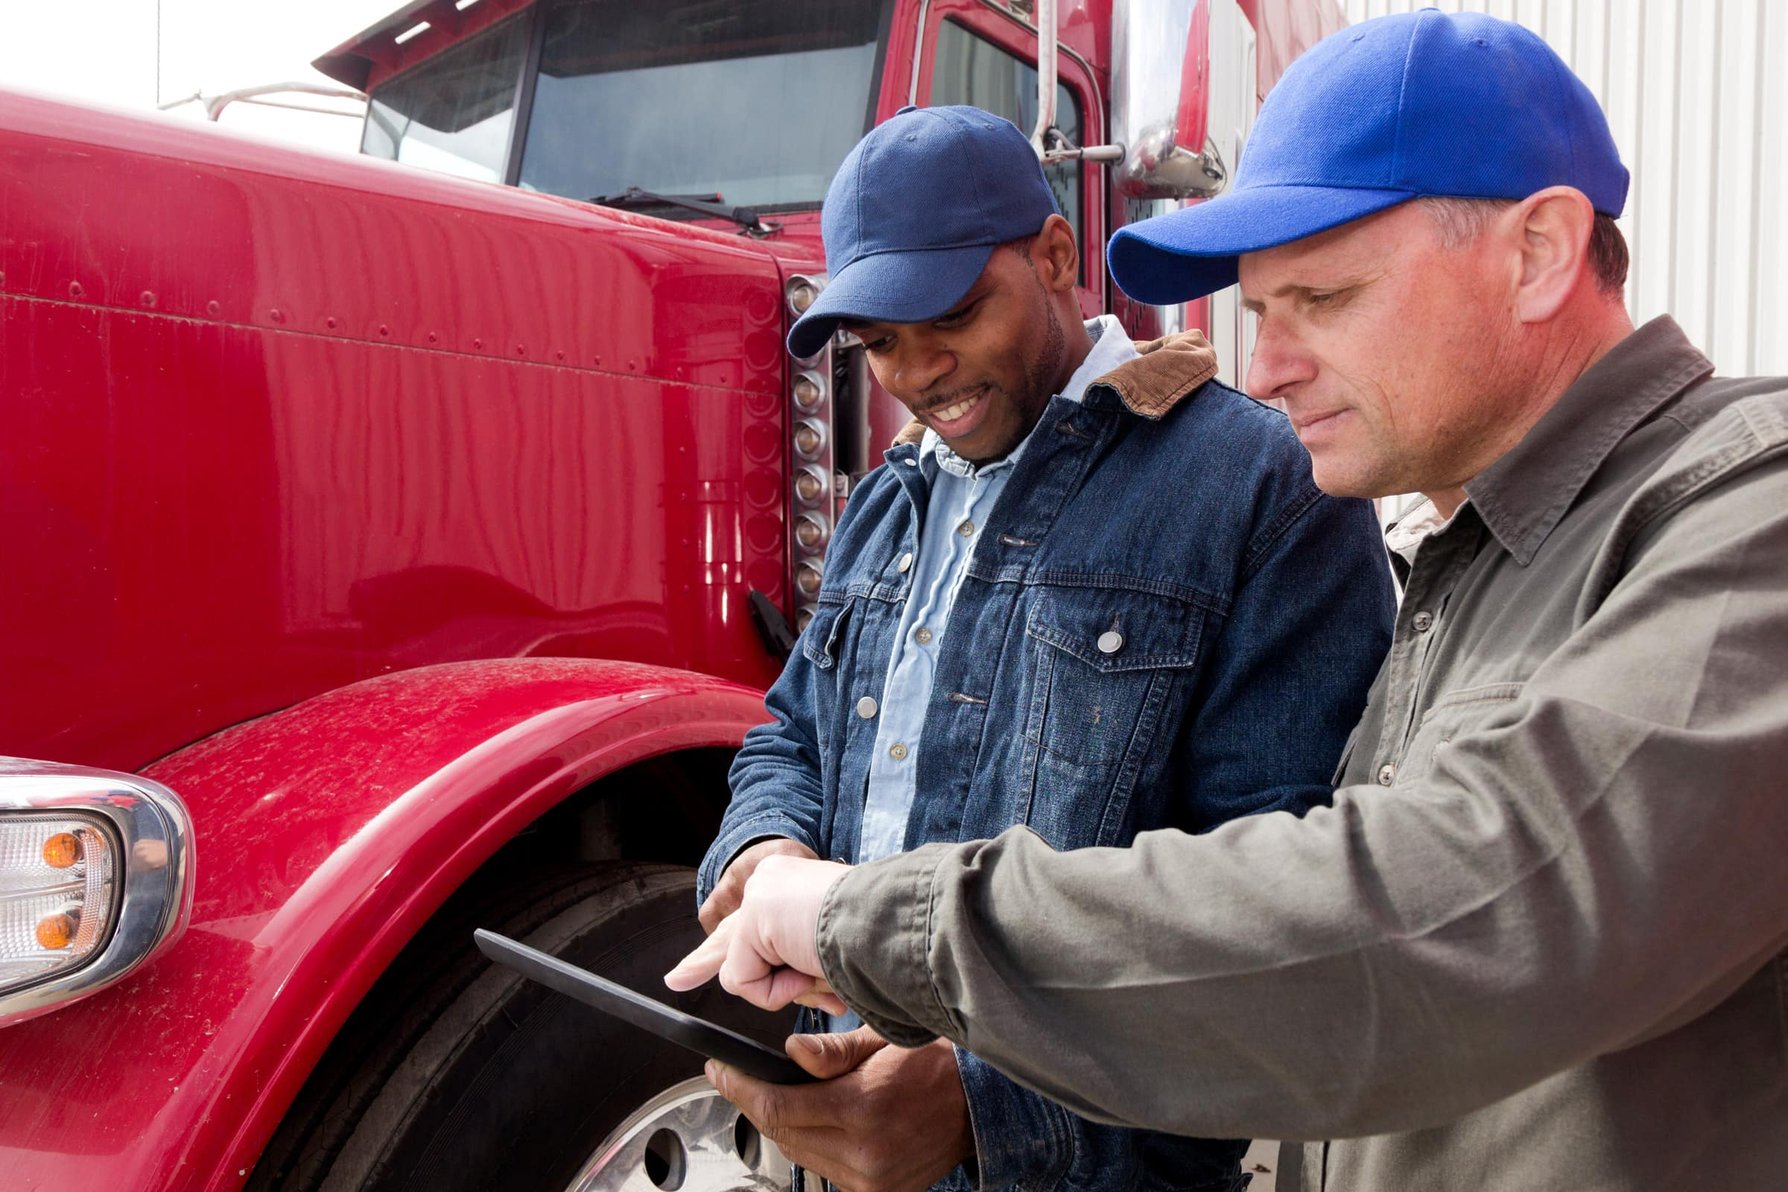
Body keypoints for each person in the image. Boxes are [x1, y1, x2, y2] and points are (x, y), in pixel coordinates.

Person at [670, 12, 1788, 1190]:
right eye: (1263, 311)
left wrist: (870, 927)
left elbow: (1438, 912)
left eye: (1327, 296)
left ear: (1539, 252)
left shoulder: (1747, 514)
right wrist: (781, 862)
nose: (1263, 370)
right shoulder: (1478, 558)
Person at [693, 104, 1393, 1191]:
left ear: (1058, 255)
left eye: (953, 317)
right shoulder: (889, 502)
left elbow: (1277, 918)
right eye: (879, 342)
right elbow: (790, 733)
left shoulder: (1261, 484)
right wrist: (766, 857)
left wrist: (984, 1107)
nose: (921, 372)